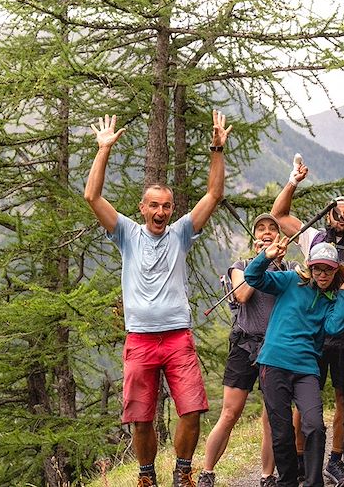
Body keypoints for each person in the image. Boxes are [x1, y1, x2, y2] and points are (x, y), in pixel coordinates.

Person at [83, 112, 231, 487]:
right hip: (140, 338)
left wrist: (217, 148)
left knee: (192, 408)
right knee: (141, 416)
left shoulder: (181, 232)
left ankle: (183, 472)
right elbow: (92, 196)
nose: (161, 212)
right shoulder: (127, 234)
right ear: (142, 208)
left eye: (166, 206)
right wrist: (103, 150)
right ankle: (146, 475)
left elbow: (214, 194)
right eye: (154, 205)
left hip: (177, 336)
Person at [270, 157, 344, 482]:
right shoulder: (312, 237)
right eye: (336, 210)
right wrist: (293, 181)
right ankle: (300, 460)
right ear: (328, 215)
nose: (341, 215)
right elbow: (279, 215)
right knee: (304, 402)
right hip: (312, 335)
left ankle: (336, 459)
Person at [245, 239, 344, 487]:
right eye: (318, 268)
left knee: (315, 426)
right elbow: (253, 278)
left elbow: (334, 327)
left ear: (336, 269)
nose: (322, 274)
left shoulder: (332, 298)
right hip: (274, 362)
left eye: (328, 269)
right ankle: (287, 482)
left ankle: (313, 482)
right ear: (309, 267)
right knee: (282, 430)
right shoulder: (290, 281)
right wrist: (265, 255)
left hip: (306, 368)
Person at [198, 213, 292, 487]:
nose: (266, 232)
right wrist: (262, 261)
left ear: (280, 238)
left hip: (274, 349)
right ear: (254, 242)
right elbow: (242, 294)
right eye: (261, 229)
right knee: (230, 412)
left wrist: (275, 261)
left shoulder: (288, 269)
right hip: (244, 344)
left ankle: (267, 476)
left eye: (272, 229)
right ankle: (207, 472)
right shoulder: (241, 266)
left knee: (270, 417)